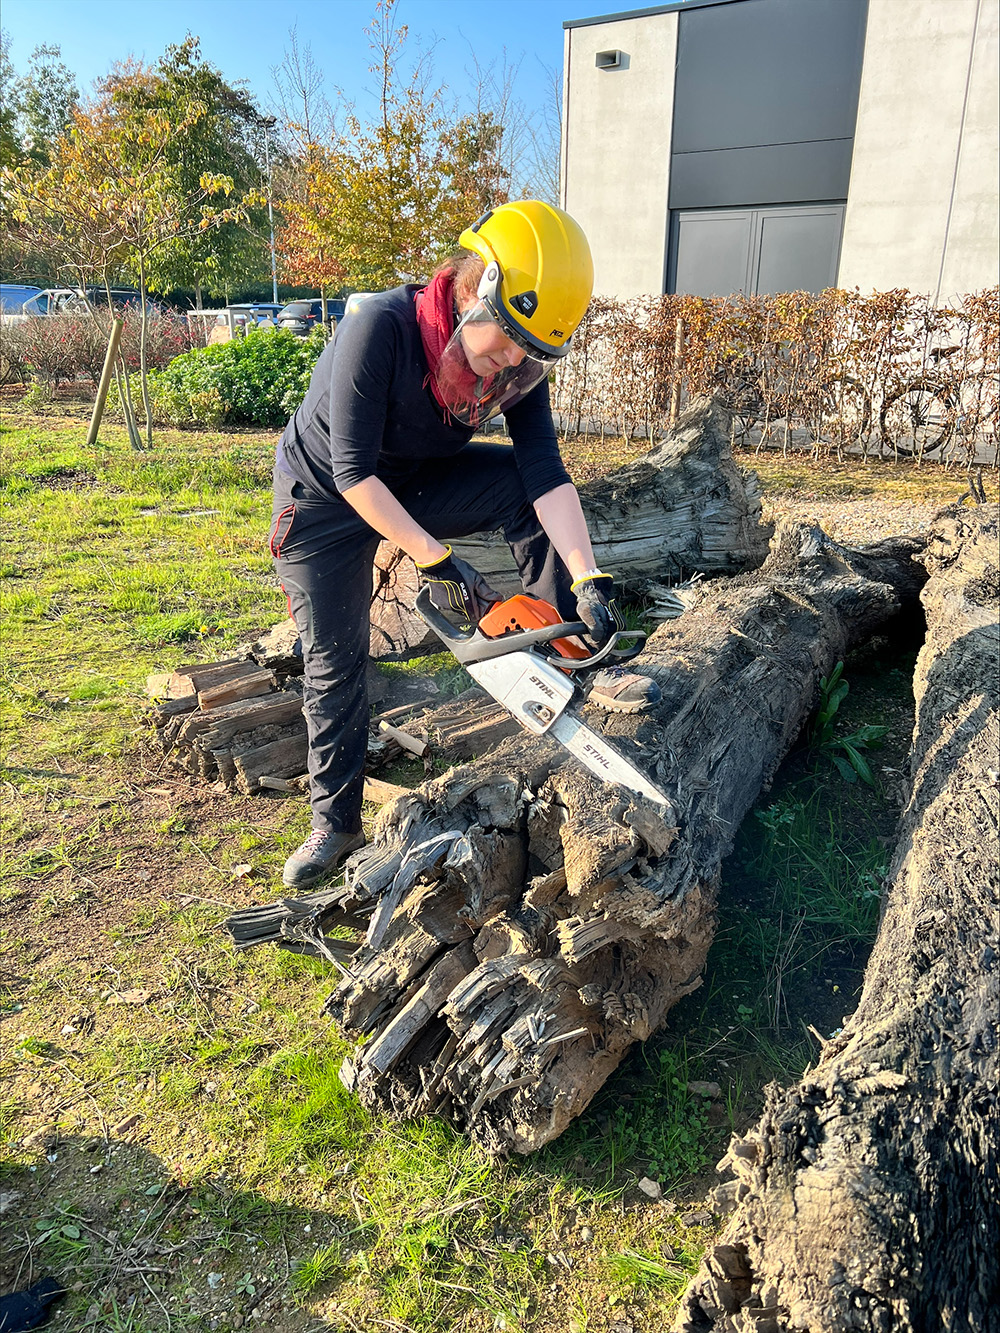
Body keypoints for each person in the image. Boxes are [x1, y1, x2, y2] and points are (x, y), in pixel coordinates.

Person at [269, 200, 660, 889]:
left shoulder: (518, 360)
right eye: (506, 340)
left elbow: (544, 472)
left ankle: (573, 655)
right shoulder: (378, 328)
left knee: (514, 484)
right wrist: (433, 556)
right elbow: (353, 472)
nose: (512, 362)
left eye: (530, 353)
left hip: (415, 479)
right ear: (473, 288)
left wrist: (589, 576)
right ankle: (335, 822)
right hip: (326, 497)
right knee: (336, 659)